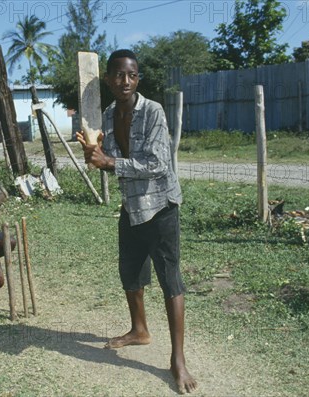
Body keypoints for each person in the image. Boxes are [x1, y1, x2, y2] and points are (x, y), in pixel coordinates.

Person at [76, 49, 197, 394]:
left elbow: (157, 162)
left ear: (137, 78)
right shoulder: (108, 115)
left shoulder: (153, 111)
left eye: (131, 75)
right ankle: (140, 330)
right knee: (130, 272)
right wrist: (92, 152)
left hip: (161, 206)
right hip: (132, 207)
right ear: (109, 79)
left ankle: (177, 360)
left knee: (170, 278)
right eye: (117, 75)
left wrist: (109, 161)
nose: (124, 81)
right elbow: (102, 159)